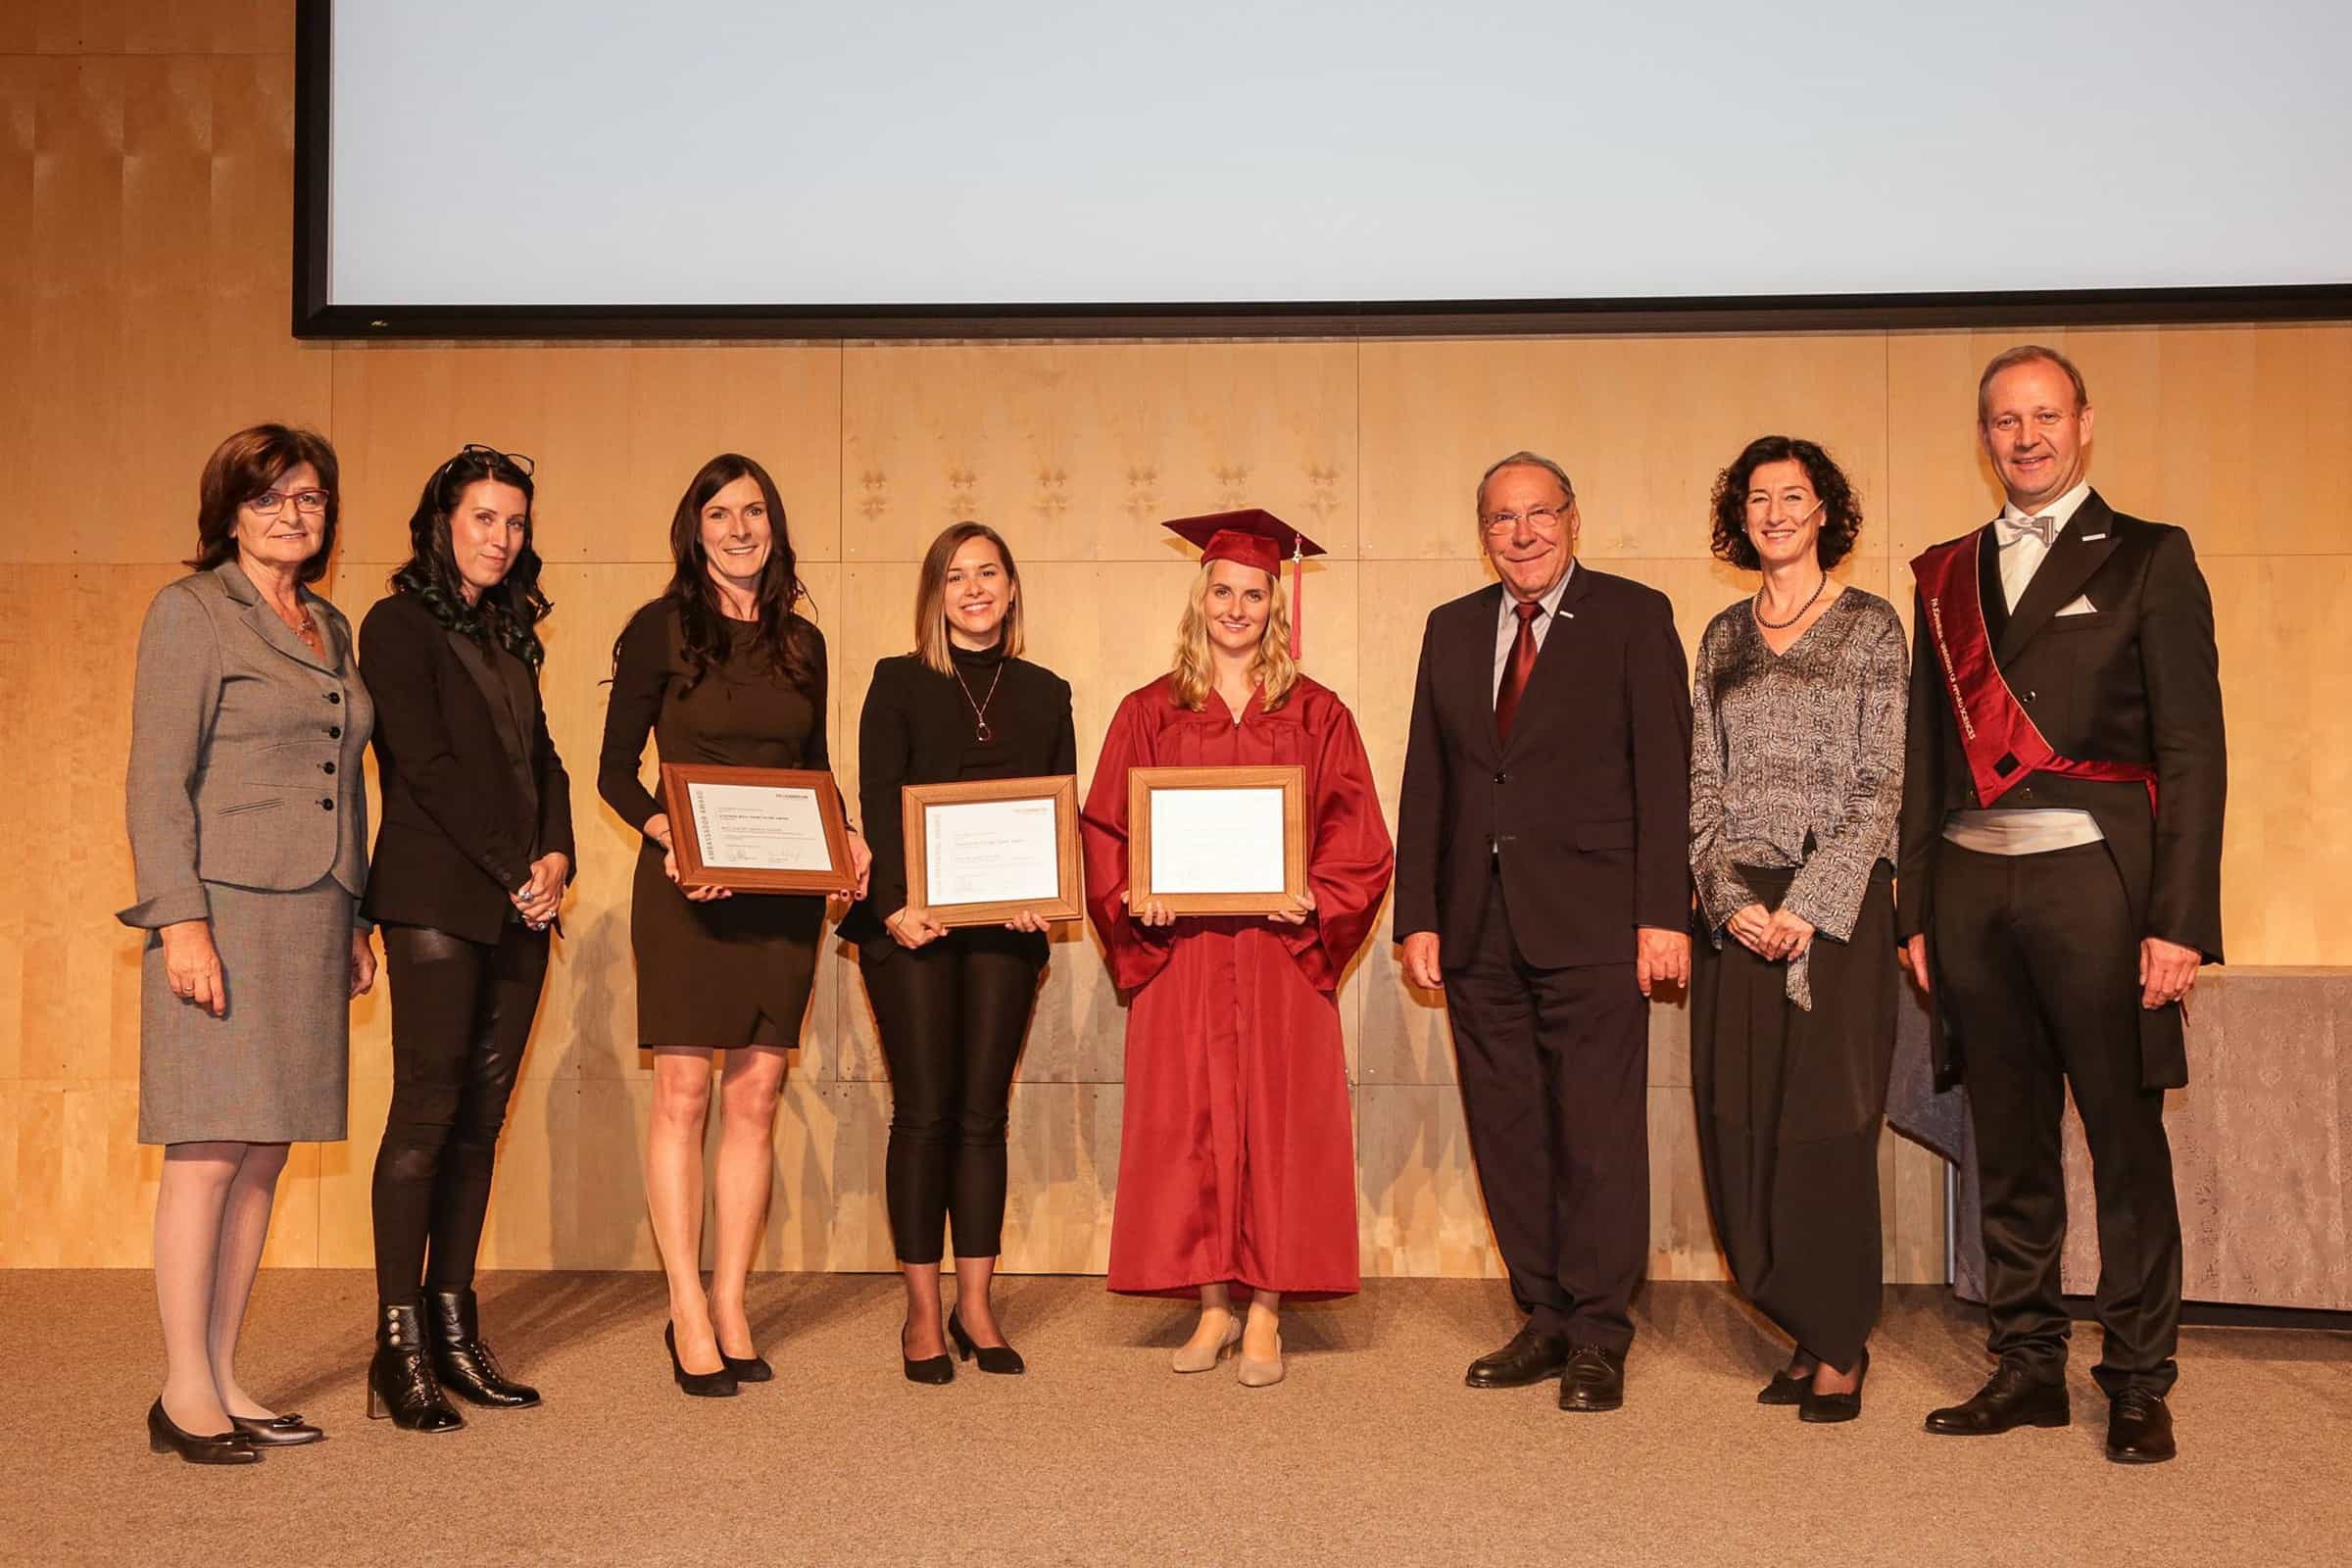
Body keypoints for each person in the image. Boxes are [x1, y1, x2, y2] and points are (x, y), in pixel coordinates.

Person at [1901, 346, 2225, 1464]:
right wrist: (1913, 907)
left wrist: (2179, 919)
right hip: (1970, 887)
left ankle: (2137, 1377)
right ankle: (2027, 1361)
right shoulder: (1945, 573)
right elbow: (1928, 752)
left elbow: (2192, 750)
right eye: (2004, 420)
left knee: (2126, 1140)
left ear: (2085, 423)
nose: (2026, 436)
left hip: (2099, 881)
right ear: (1983, 435)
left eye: (2045, 415)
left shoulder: (2149, 558)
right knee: (2010, 1137)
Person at [1396, 450, 1691, 1412]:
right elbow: (1429, 782)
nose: (1523, 535)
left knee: (1597, 1137)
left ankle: (1601, 1330)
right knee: (1511, 1134)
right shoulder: (1449, 630)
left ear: (1573, 517)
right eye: (1501, 520)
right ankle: (1544, 1316)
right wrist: (1420, 917)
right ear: (1481, 533)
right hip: (1478, 929)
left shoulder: (1632, 615)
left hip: (1599, 922)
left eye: (1539, 515)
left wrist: (1663, 915)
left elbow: (1664, 773)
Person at [1081, 510, 1393, 1388]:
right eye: (1222, 590)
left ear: (1275, 605)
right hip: (1181, 955)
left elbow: (1360, 839)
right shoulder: (1149, 711)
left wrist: (1314, 901)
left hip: (1277, 954)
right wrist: (1131, 897)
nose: (1236, 606)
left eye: (1253, 593)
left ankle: (1267, 1310)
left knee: (1279, 1121)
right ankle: (1213, 1304)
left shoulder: (1317, 712)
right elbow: (1107, 828)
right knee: (1190, 1122)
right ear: (1200, 599)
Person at [121, 424, 376, 1463]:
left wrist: (356, 912)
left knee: (265, 1149)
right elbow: (154, 779)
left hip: (311, 913)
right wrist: (179, 919)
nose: (292, 515)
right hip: (219, 910)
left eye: (310, 498)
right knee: (207, 1148)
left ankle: (225, 1370)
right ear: (229, 511)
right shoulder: (189, 612)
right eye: (270, 498)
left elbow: (347, 776)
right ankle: (183, 1389)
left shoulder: (330, 623)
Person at [599, 452, 870, 1398]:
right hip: (684, 886)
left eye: (754, 511)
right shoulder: (658, 629)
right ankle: (682, 1306)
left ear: (775, 524)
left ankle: (730, 1301)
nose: (740, 529)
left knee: (754, 1097)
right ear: (695, 528)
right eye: (721, 514)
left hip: (781, 898)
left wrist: (851, 836)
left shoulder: (804, 643)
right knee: (683, 1092)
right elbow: (612, 772)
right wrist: (664, 828)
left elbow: (817, 767)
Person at [1687, 436, 1907, 1423]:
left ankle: (1839, 1344)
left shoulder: (1872, 628)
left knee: (1824, 1131)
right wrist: (1728, 896)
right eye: (1758, 497)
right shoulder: (1721, 635)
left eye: (1795, 495)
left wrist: (1810, 905)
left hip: (1841, 914)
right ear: (1740, 517)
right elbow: (1702, 779)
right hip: (1736, 910)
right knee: (1741, 1126)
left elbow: (1882, 781)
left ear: (1827, 512)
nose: (1776, 511)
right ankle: (1799, 1319)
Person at [359, 445, 572, 1431]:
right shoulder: (396, 625)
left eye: (516, 522)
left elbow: (549, 763)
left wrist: (557, 860)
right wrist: (514, 872)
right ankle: (397, 1345)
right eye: (485, 517)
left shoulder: (509, 633)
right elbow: (427, 768)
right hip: (439, 898)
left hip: (519, 901)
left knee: (480, 1126)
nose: (502, 537)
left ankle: (454, 1328)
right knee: (425, 1120)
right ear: (442, 521)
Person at [840, 522, 1075, 1382]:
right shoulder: (897, 682)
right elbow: (876, 791)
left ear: (1012, 589)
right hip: (910, 930)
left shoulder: (1048, 692)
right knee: (924, 1112)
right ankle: (920, 1310)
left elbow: (1058, 813)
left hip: (1004, 934)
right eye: (955, 576)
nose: (973, 588)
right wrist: (895, 905)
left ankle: (977, 1304)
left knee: (984, 1114)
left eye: (989, 573)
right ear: (935, 594)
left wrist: (1044, 899)